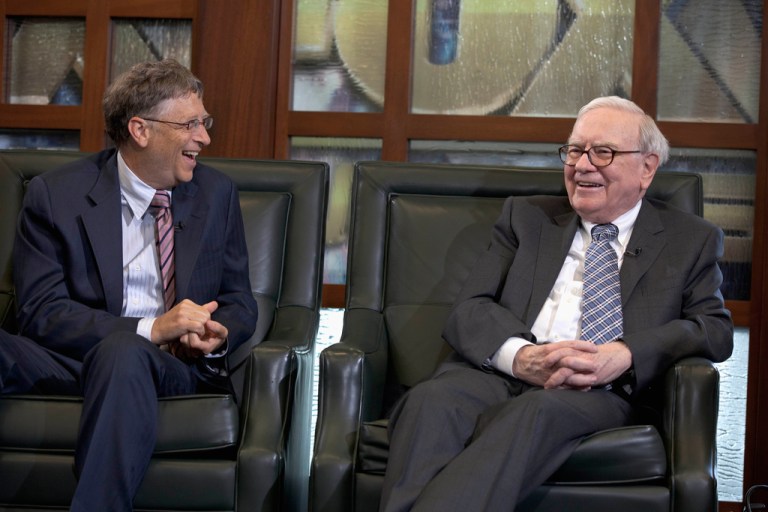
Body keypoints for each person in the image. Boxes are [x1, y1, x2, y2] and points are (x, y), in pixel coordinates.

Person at [380, 96, 734, 511]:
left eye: (603, 152)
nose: (582, 165)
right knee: (431, 401)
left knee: (536, 411)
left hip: (597, 391)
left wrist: (625, 354)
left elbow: (714, 329)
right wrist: (521, 357)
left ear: (647, 167)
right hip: (503, 373)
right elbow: (469, 308)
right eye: (575, 150)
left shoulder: (690, 239)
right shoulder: (526, 218)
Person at [0, 59, 258, 511]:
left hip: (169, 366)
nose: (204, 138)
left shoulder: (216, 194)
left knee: (124, 351)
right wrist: (151, 327)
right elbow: (41, 311)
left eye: (205, 122)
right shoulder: (55, 195)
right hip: (73, 360)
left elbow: (239, 301)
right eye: (190, 124)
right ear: (140, 130)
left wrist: (216, 334)